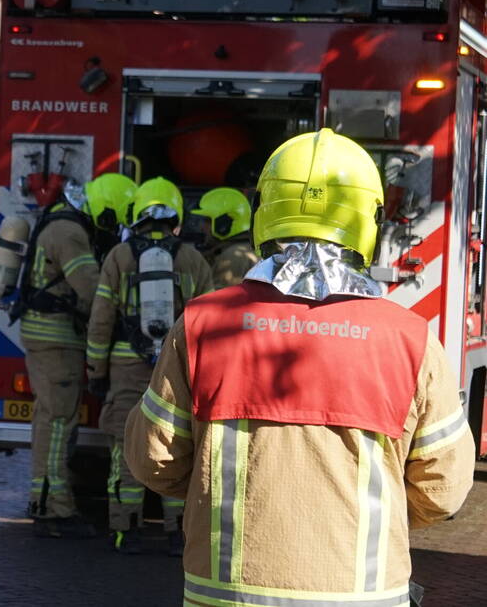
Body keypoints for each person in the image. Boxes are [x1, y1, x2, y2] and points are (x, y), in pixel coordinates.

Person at [125, 129, 474, 605]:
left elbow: (154, 459)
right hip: (362, 595)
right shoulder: (408, 338)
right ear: (367, 219)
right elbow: (443, 488)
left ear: (264, 212)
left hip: (225, 594)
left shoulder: (202, 325)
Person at [86, 176, 212, 555]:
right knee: (175, 444)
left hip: (125, 363)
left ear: (137, 214)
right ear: (177, 216)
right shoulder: (192, 259)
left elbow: (101, 318)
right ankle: (176, 533)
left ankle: (126, 529)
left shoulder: (119, 256)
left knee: (124, 448)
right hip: (177, 367)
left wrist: (96, 370)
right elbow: (208, 320)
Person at [20, 173, 132, 539]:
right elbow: (92, 289)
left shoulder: (59, 221)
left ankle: (47, 499)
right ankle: (53, 507)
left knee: (50, 419)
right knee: (56, 423)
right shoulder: (69, 233)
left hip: (47, 337)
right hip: (56, 341)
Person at [190, 187, 258, 289]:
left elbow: (219, 301)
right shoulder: (242, 249)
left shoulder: (232, 256)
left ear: (224, 223)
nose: (202, 227)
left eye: (208, 221)